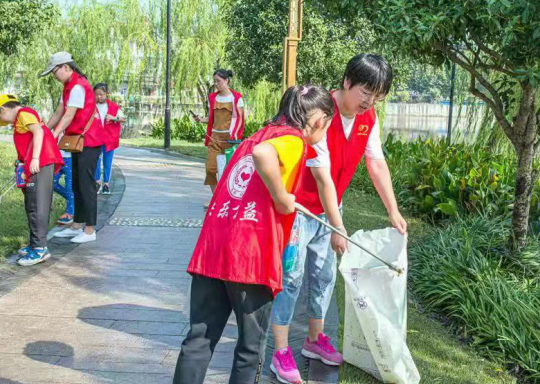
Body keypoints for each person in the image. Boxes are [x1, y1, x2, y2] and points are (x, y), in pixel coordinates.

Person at [173, 85, 334, 384]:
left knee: (199, 339)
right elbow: (264, 156)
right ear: (319, 119)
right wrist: (283, 197)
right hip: (249, 255)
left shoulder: (257, 135)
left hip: (214, 245)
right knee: (250, 348)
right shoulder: (293, 139)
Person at [270, 54, 408, 384]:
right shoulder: (319, 113)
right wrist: (339, 227)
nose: (370, 102)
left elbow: (376, 163)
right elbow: (322, 178)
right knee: (290, 278)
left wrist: (393, 210)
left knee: (324, 275)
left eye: (377, 96)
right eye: (365, 93)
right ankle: (279, 351)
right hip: (298, 210)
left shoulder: (368, 117)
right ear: (347, 82)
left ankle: (314, 341)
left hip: (331, 209)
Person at [40, 52, 106, 244]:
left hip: (90, 141)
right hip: (78, 140)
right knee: (76, 183)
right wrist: (46, 131)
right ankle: (77, 225)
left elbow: (68, 116)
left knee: (86, 185)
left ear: (66, 67)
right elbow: (59, 112)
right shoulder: (68, 87)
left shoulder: (78, 86)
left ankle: (90, 229)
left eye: (55, 71)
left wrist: (53, 136)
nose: (54, 75)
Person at [0, 94, 64, 266]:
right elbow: (28, 140)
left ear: (3, 109)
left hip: (41, 163)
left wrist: (34, 158)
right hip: (36, 163)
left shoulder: (23, 114)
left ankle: (40, 249)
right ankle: (36, 244)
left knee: (37, 206)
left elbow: (38, 132)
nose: (3, 121)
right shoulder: (20, 119)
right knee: (32, 204)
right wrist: (22, 160)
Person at [192, 69, 245, 208]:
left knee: (229, 171)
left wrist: (235, 136)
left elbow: (240, 120)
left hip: (230, 140)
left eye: (218, 81)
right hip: (214, 138)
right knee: (210, 169)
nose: (216, 84)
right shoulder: (212, 98)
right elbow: (211, 118)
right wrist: (200, 119)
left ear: (227, 80)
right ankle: (216, 198)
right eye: (214, 81)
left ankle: (227, 199)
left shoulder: (237, 98)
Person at [93, 83, 125, 195]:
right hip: (95, 139)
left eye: (101, 94)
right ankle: (97, 183)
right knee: (96, 161)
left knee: (107, 162)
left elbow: (122, 118)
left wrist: (113, 118)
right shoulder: (92, 106)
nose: (99, 97)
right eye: (96, 94)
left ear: (107, 94)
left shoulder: (113, 106)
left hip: (109, 139)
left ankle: (106, 184)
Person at [53, 146, 75, 225]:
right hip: (56, 157)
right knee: (52, 183)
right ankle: (75, 201)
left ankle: (70, 213)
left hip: (70, 158)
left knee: (69, 187)